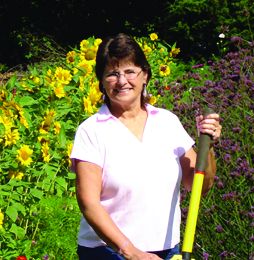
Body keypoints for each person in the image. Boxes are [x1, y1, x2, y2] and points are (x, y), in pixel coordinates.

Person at [70, 33, 222, 260]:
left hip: (168, 251)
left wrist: (207, 145)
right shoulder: (91, 130)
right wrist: (131, 252)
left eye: (130, 71)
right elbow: (88, 203)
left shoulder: (167, 122)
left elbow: (201, 184)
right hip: (109, 252)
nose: (122, 81)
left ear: (145, 75)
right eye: (112, 73)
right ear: (101, 81)